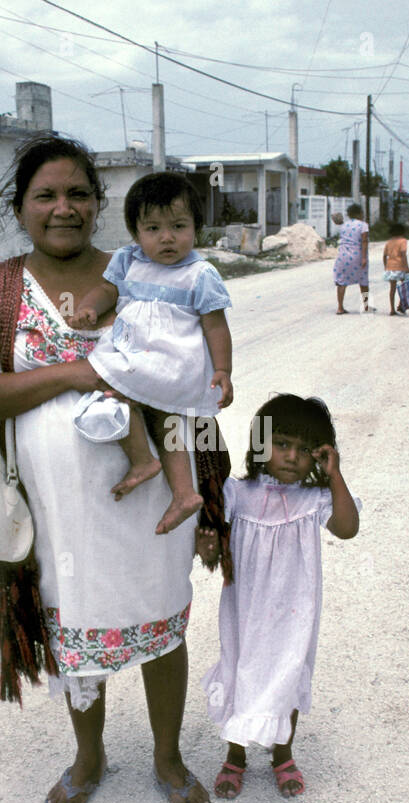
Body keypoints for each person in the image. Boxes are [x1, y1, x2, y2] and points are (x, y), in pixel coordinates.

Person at [0, 135, 218, 803]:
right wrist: (74, 372)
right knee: (75, 634)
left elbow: (194, 380)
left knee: (162, 622)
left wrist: (209, 495)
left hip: (151, 497)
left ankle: (167, 755)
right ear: (21, 206)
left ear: (99, 205)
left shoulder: (145, 271)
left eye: (77, 194)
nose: (63, 208)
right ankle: (89, 757)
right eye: (46, 195)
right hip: (56, 514)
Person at [196, 395, 361, 799]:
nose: (291, 457)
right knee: (240, 669)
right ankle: (235, 755)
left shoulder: (314, 500)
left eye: (305, 450)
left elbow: (347, 528)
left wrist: (334, 475)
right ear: (260, 443)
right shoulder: (237, 493)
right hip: (245, 609)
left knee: (287, 673)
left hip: (294, 611)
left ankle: (282, 754)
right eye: (282, 443)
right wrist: (208, 543)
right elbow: (208, 551)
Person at [71, 172, 234, 535]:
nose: (167, 237)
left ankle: (146, 463)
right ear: (136, 232)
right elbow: (107, 291)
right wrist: (89, 308)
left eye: (178, 226)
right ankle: (183, 492)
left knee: (126, 398)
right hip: (136, 353)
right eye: (153, 228)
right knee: (161, 418)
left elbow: (215, 326)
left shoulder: (200, 273)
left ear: (196, 228)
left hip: (171, 361)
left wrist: (222, 370)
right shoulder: (129, 261)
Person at [332, 203, 372, 314]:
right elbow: (364, 241)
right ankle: (366, 306)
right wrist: (364, 257)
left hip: (342, 256)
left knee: (341, 282)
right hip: (357, 255)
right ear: (359, 213)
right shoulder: (363, 225)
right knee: (363, 281)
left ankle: (340, 307)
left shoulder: (344, 225)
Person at [382, 223, 409, 316]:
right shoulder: (403, 241)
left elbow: (384, 256)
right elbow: (403, 255)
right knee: (404, 287)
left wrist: (386, 266)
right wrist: (407, 267)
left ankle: (392, 309)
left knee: (392, 289)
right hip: (400, 267)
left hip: (390, 267)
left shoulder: (388, 242)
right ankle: (400, 305)